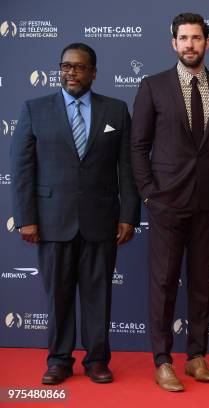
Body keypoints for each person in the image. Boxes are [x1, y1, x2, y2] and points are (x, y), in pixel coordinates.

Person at [10, 43, 140, 385]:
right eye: (65, 66)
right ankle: (59, 360)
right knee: (59, 296)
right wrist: (27, 218)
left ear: (93, 73)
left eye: (79, 67)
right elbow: (22, 170)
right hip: (53, 221)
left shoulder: (115, 110)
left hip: (102, 220)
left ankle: (97, 360)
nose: (70, 72)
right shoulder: (35, 109)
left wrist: (129, 215)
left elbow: (126, 169)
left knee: (99, 296)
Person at [131, 13, 209, 392]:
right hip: (166, 202)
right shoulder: (153, 86)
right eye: (183, 38)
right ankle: (162, 360)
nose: (190, 44)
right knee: (163, 283)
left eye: (197, 38)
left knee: (201, 283)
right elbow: (138, 146)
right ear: (173, 43)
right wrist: (148, 192)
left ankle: (196, 356)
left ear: (208, 43)